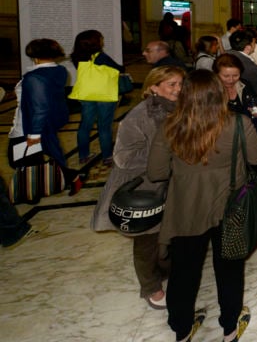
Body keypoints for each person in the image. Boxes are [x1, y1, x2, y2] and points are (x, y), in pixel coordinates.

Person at [147, 70, 257, 342]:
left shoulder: (170, 126)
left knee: (184, 272)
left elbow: (156, 172)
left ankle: (182, 328)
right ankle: (230, 328)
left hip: (186, 209)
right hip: (229, 207)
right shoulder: (238, 123)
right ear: (219, 93)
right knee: (230, 270)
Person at [90, 65, 186, 308]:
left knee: (170, 235)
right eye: (171, 85)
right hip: (145, 189)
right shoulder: (139, 115)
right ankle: (150, 287)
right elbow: (123, 157)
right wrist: (163, 153)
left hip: (172, 184)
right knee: (146, 242)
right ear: (153, 87)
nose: (178, 89)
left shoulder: (180, 109)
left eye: (180, 84)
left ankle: (165, 271)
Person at [8, 39, 81, 192]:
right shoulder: (59, 70)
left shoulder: (34, 77)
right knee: (33, 158)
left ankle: (65, 178)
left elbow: (40, 107)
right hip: (48, 123)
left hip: (29, 125)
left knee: (19, 160)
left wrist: (34, 134)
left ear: (34, 55)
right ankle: (64, 179)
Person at [71, 29, 124, 167]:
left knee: (85, 125)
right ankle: (107, 157)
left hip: (86, 94)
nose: (102, 41)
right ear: (95, 42)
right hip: (104, 95)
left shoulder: (76, 57)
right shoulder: (101, 57)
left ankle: (83, 156)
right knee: (104, 127)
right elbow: (119, 68)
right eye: (100, 38)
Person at [213, 53, 257, 138]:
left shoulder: (245, 85)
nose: (231, 80)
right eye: (226, 76)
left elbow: (255, 103)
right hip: (222, 137)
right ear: (216, 74)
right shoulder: (211, 91)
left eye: (236, 75)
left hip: (248, 135)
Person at [227, 30, 257, 96]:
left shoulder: (226, 55)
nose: (255, 45)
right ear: (248, 48)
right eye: (254, 43)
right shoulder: (248, 65)